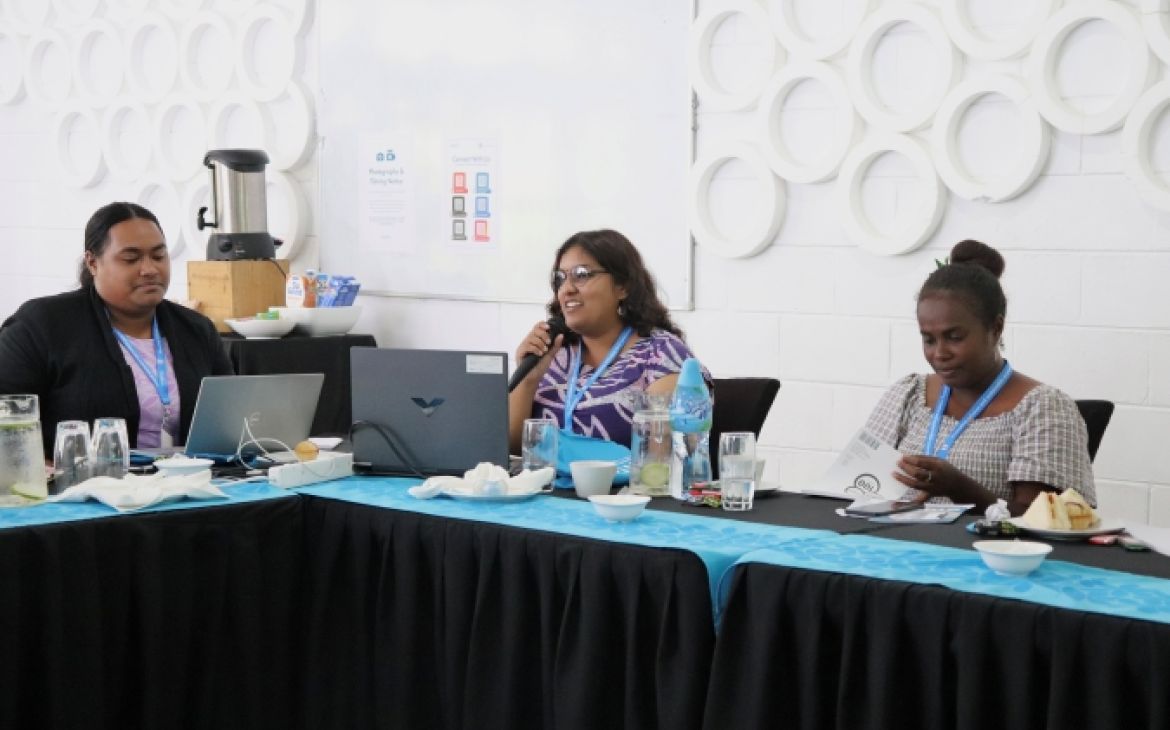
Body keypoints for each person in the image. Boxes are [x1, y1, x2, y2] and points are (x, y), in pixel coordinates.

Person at [863, 239, 1095, 516]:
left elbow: (1047, 522)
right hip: (894, 548)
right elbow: (856, 483)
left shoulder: (1043, 408)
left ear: (995, 329)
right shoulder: (909, 393)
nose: (939, 353)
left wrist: (960, 488)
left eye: (955, 337)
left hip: (985, 555)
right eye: (928, 339)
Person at [0, 202, 233, 457]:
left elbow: (232, 417)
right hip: (78, 488)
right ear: (92, 262)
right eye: (131, 259)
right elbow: (7, 417)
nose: (150, 269)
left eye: (158, 256)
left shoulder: (196, 329)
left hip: (190, 484)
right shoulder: (42, 325)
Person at [509, 229, 705, 452]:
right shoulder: (554, 353)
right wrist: (528, 381)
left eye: (581, 274)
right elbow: (509, 450)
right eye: (560, 278)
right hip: (543, 486)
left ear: (623, 286)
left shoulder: (662, 354)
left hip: (620, 487)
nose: (567, 289)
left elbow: (661, 460)